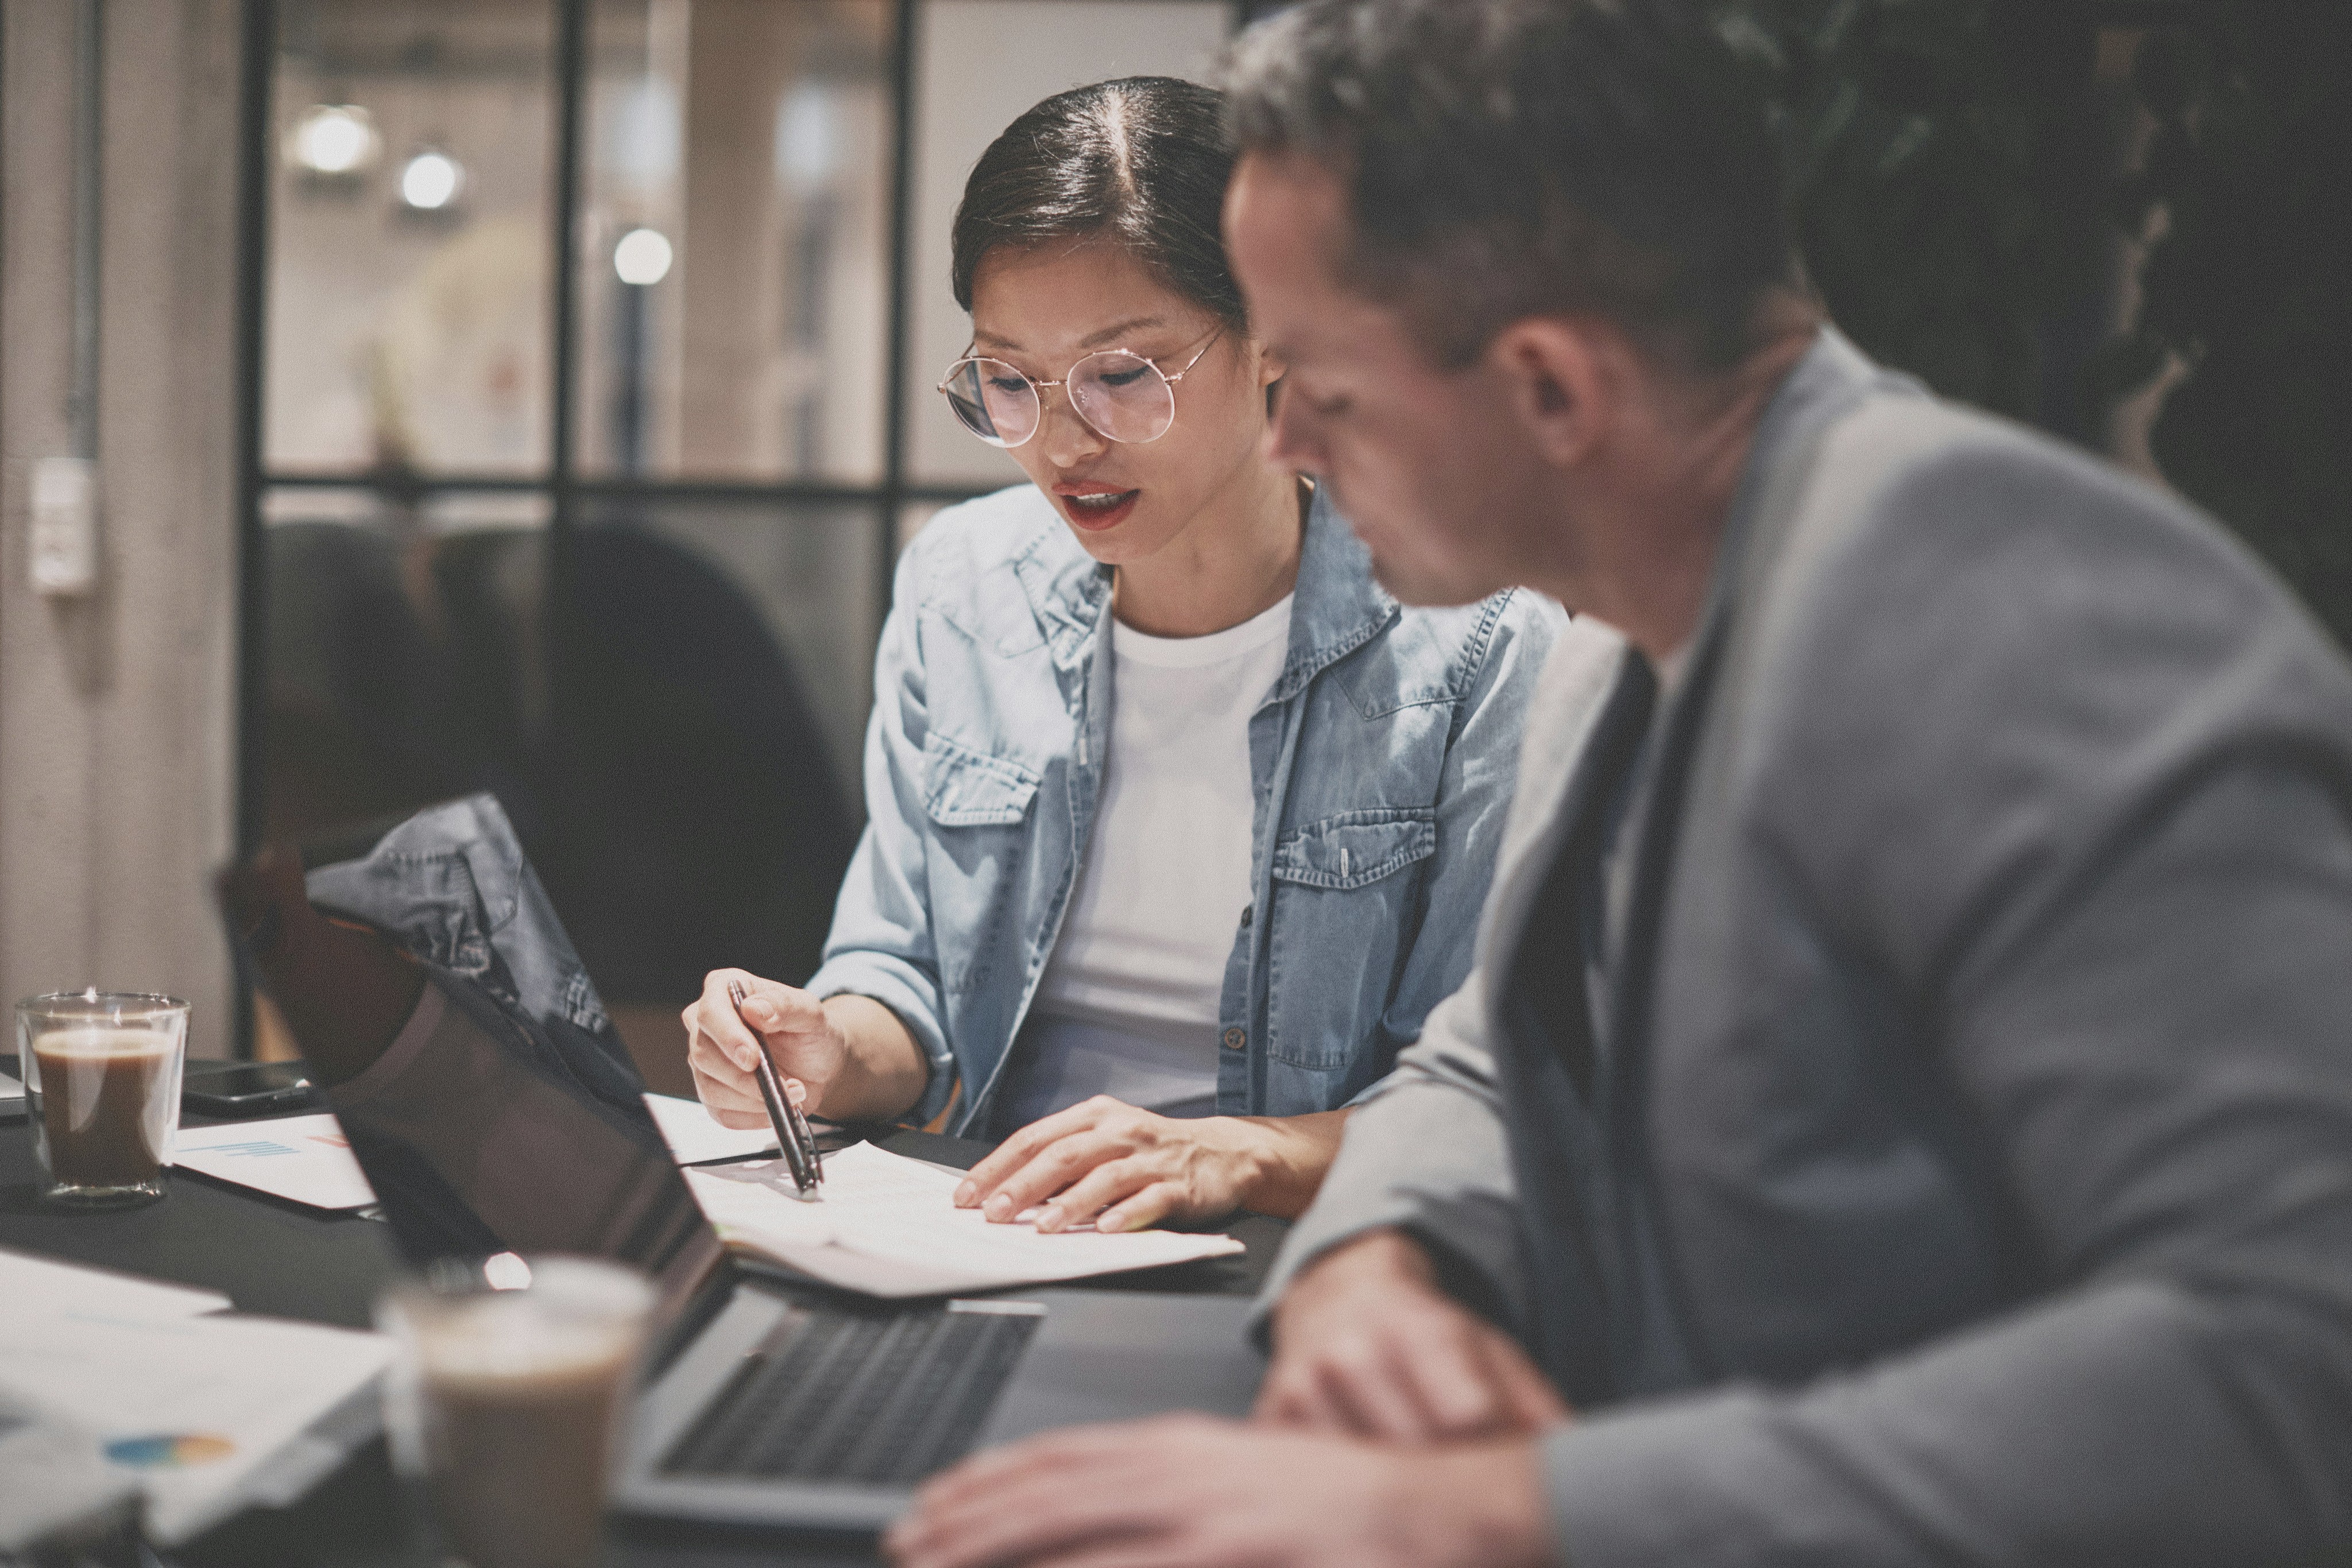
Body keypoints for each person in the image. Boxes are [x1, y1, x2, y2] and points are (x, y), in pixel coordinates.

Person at [884, 3, 2352, 1566]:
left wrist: (1497, 1511)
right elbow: (1499, 1057)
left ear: (1555, 393)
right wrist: (1375, 1260)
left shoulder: (2028, 624)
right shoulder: (1629, 616)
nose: (1287, 432)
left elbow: (2289, 1363)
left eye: (1323, 377)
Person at [683, 77, 1560, 1234]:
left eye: (1120, 375)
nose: (1059, 441)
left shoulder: (1476, 632)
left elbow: (1487, 1099)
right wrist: (823, 1049)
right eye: (1008, 379)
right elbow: (902, 980)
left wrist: (1231, 1156)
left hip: (1295, 1258)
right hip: (980, 1222)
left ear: (1274, 341)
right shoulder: (963, 589)